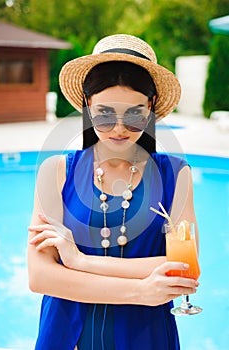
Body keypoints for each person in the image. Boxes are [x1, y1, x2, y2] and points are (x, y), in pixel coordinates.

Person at [28, 34, 199, 350]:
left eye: (134, 114)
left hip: (146, 336)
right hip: (67, 336)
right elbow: (40, 276)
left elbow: (184, 269)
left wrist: (78, 261)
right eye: (105, 114)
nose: (119, 128)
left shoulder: (176, 174)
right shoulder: (55, 171)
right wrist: (141, 291)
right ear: (88, 107)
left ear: (149, 110)